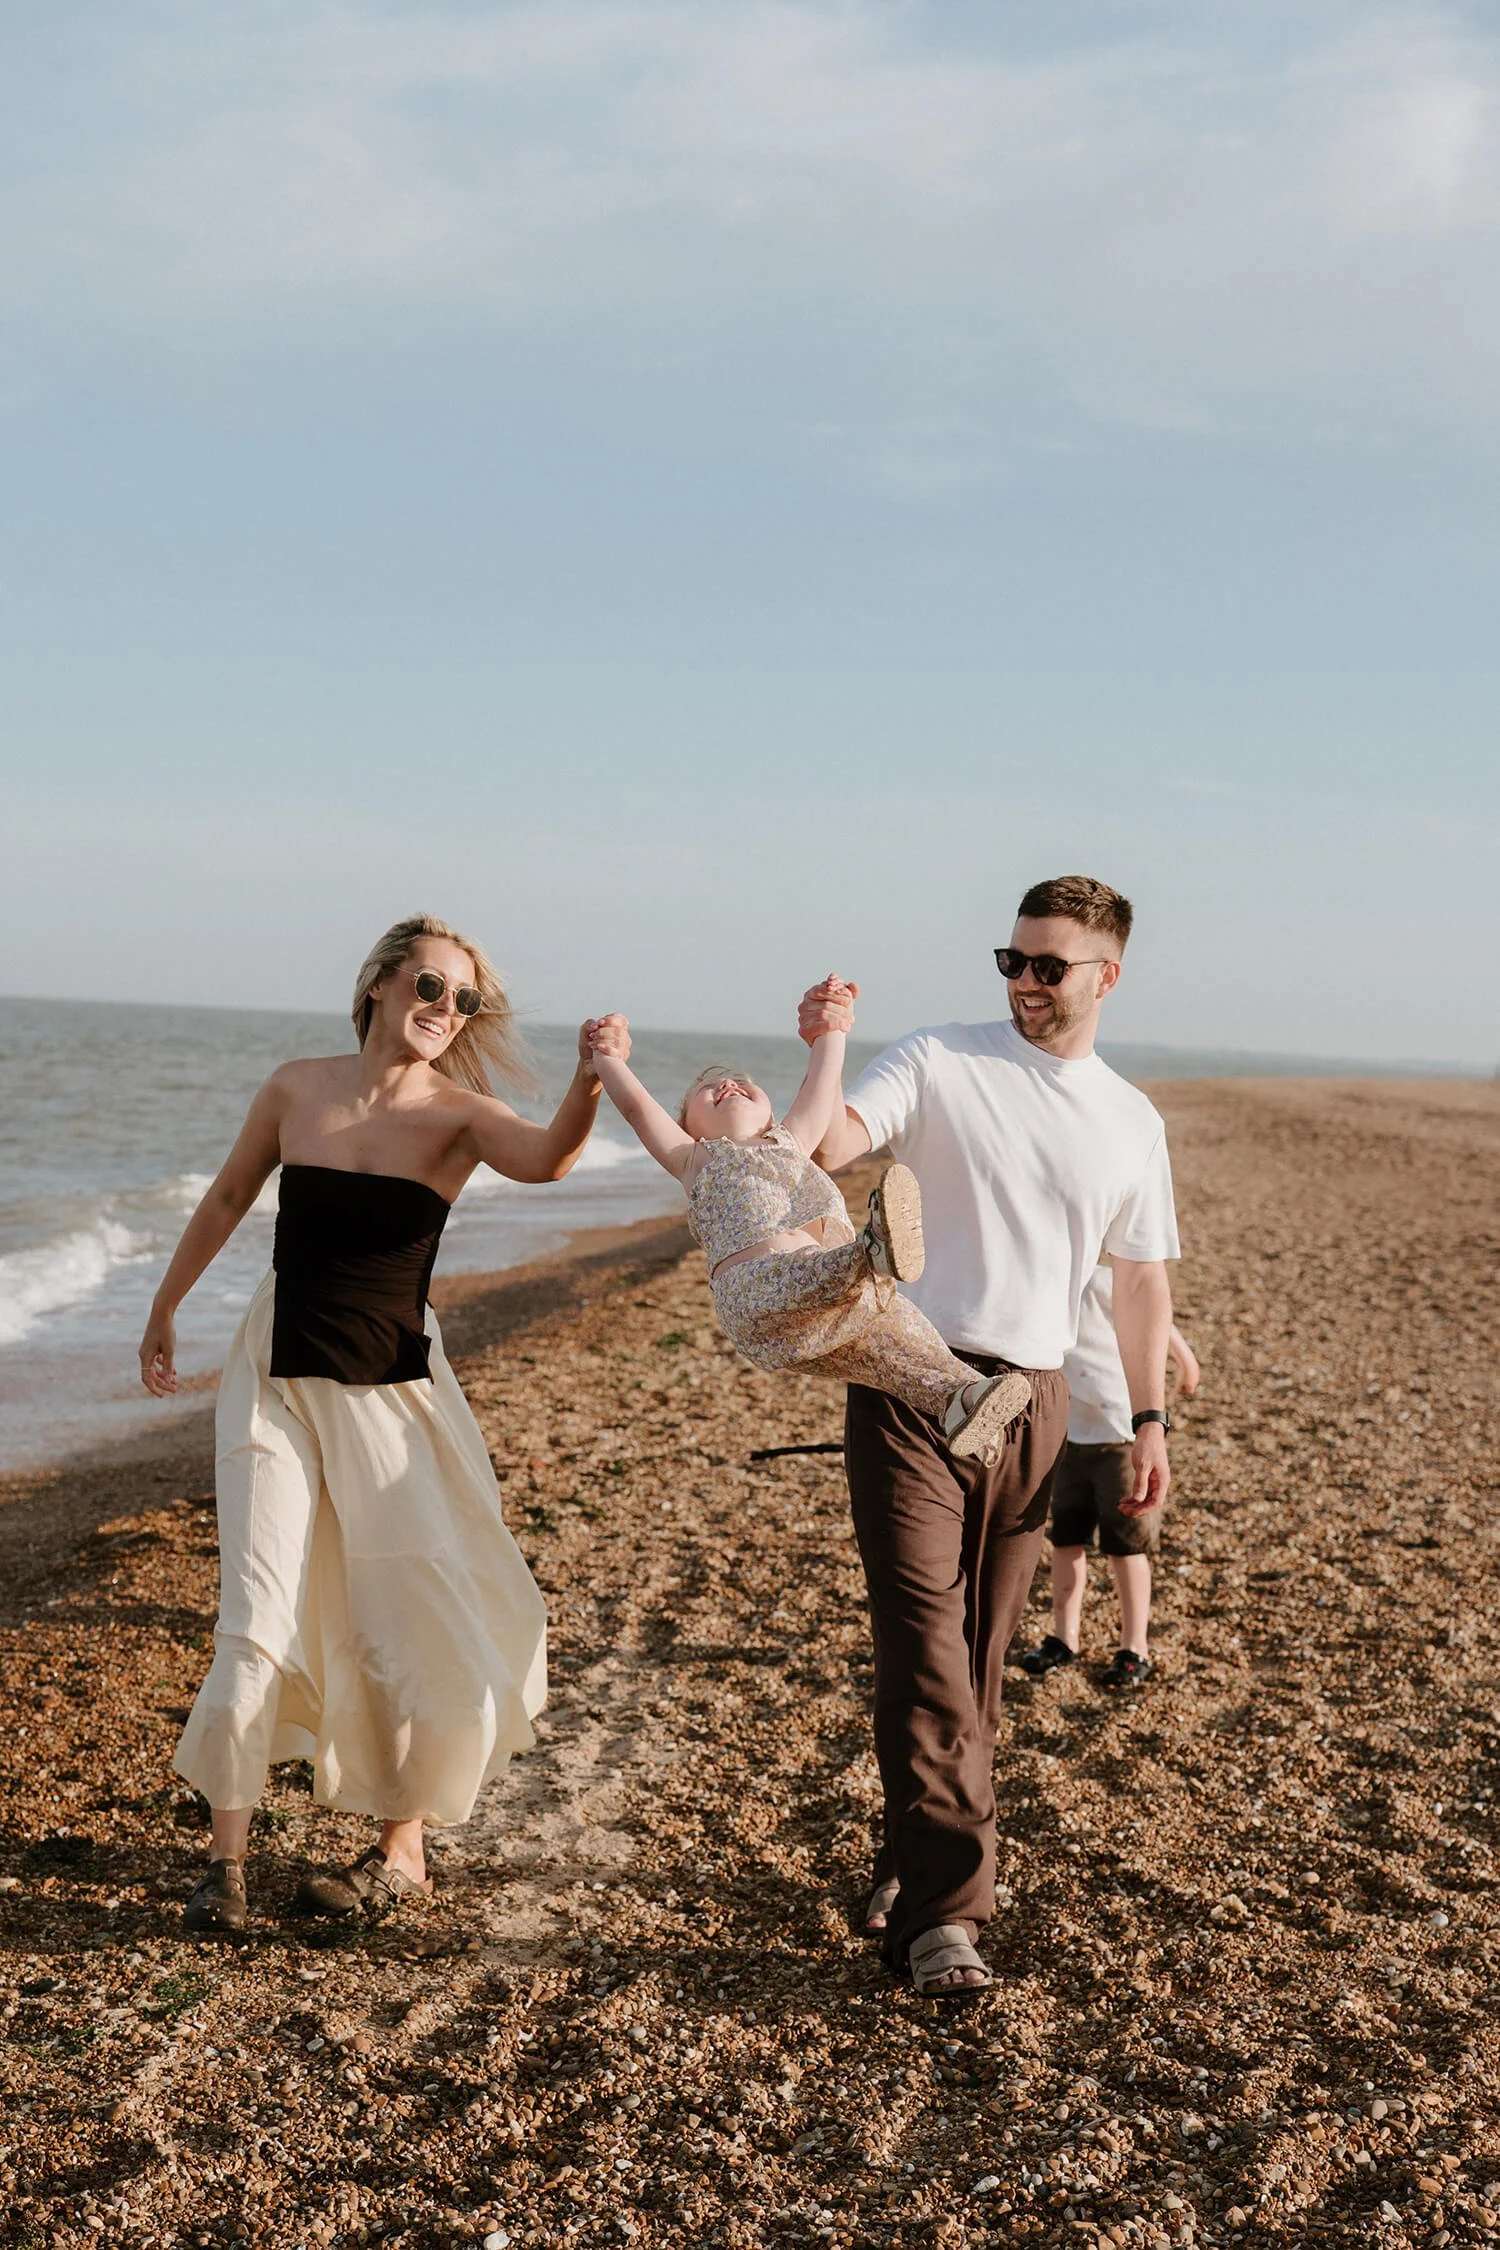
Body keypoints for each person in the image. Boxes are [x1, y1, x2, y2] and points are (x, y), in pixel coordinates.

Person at [138, 912, 629, 1936]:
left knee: (413, 1614)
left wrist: (589, 1083)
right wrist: (163, 1308)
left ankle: (403, 1854)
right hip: (273, 1374)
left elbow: (545, 1164)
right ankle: (221, 1869)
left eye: (464, 1001)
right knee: (254, 1615)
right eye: (430, 989)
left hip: (392, 1398)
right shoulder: (295, 1088)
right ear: (378, 985)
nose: (445, 1012)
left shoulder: (458, 1115)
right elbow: (231, 1194)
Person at [801, 875, 1180, 2000]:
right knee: (924, 1647)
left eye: (1047, 967)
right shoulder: (937, 1058)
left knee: (976, 1664)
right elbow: (821, 1148)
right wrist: (827, 1045)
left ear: (1105, 976)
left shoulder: (1130, 1119)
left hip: (1040, 1402)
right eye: (1009, 961)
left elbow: (1142, 1280)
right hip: (913, 1384)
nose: (1022, 983)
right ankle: (945, 1923)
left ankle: (908, 1857)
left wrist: (1148, 1417)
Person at [584, 995, 1031, 1456]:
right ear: (691, 1129)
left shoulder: (790, 1141)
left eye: (740, 1083)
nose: (727, 1085)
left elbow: (821, 1083)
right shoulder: (695, 1160)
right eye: (708, 1090)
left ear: (772, 1115)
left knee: (898, 1338)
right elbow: (638, 1109)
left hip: (833, 1310)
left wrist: (832, 1028)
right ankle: (873, 1249)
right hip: (761, 1297)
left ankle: (962, 1398)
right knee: (837, 1279)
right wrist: (608, 1058)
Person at [1019, 1265, 1201, 1689]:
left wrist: (1186, 1362)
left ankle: (1134, 1647)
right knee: (1066, 1542)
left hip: (1119, 1437)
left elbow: (1152, 1316)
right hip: (1064, 1439)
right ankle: (1064, 1638)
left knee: (1126, 1546)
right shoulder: (1041, 1274)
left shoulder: (1103, 1278)